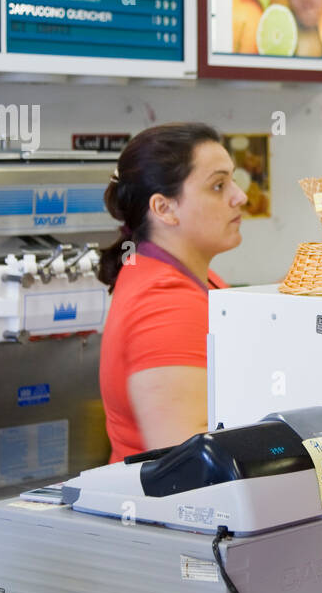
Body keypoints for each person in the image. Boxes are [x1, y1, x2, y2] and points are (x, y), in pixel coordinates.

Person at [97, 123, 247, 464]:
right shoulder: (165, 305)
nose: (240, 196)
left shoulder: (196, 277)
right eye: (219, 185)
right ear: (164, 209)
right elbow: (187, 465)